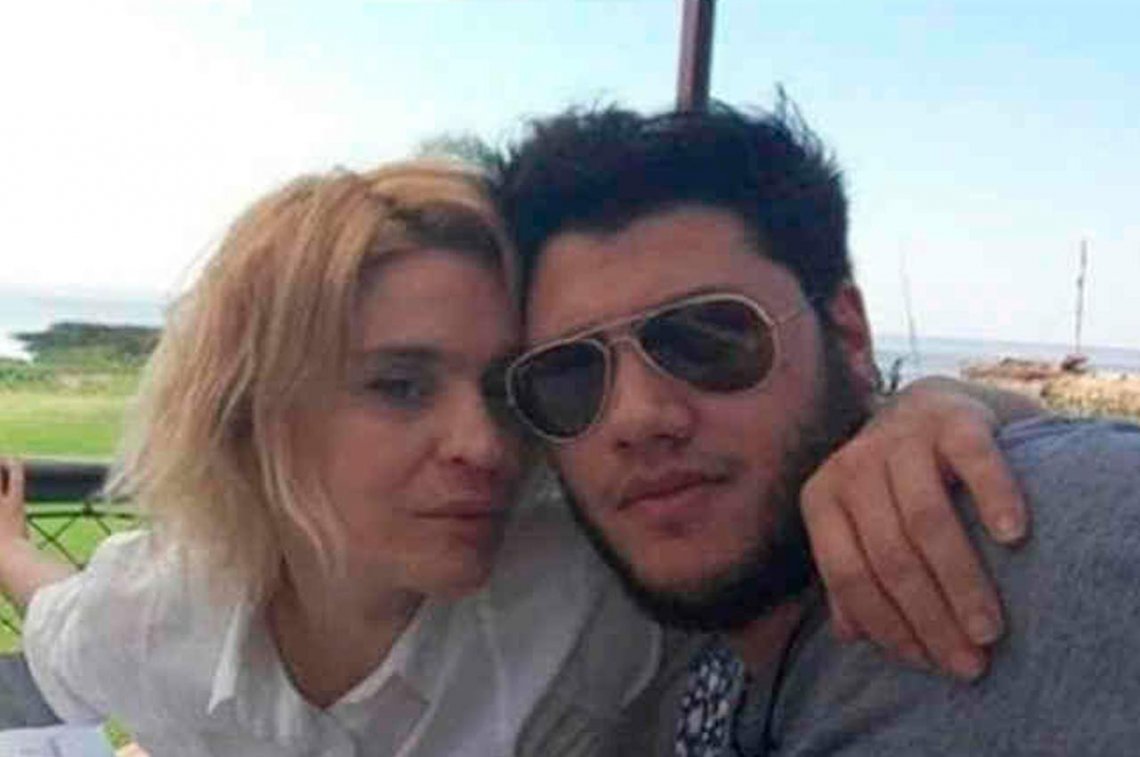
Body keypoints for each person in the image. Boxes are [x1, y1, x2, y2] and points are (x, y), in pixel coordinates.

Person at [0, 158, 1029, 756]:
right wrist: (7, 544)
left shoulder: (592, 586)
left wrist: (932, 408)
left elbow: (781, 489)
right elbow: (60, 615)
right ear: (250, 414)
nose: (486, 445)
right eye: (401, 385)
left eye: (507, 388)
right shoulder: (148, 619)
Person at [494, 100, 1140, 756]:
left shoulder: (1044, 528)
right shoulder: (663, 665)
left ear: (849, 334)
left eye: (707, 339)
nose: (635, 417)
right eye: (569, 376)